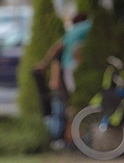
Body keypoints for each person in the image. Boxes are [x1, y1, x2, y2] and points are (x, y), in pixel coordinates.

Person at [32, 14, 90, 149]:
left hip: (68, 69)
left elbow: (57, 48)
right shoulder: (88, 27)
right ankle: (67, 137)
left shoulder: (71, 32)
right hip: (74, 67)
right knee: (70, 103)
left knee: (65, 103)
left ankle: (63, 137)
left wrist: (44, 64)